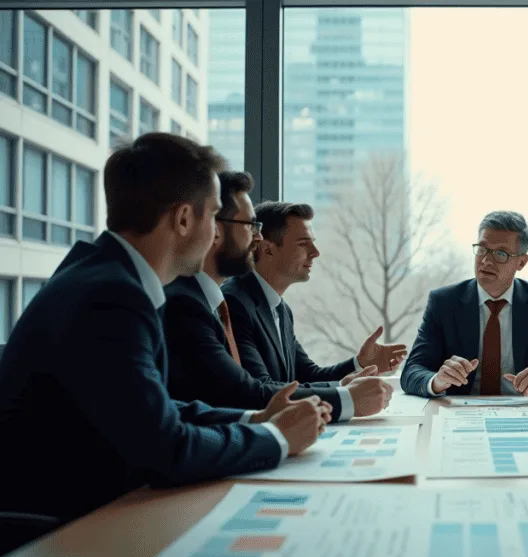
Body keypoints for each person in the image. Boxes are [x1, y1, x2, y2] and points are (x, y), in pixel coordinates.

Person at [0, 134, 325, 521]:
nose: (215, 234)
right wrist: (277, 438)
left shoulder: (105, 276)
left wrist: (252, 420)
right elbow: (167, 448)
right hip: (62, 535)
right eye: (212, 216)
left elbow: (155, 409)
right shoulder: (111, 297)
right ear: (185, 218)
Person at [164, 171, 392, 421]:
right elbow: (247, 393)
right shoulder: (211, 303)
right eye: (251, 226)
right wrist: (345, 398)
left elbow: (302, 376)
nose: (258, 237)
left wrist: (353, 372)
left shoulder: (271, 308)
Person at [223, 202, 406, 393]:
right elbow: (263, 390)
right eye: (303, 243)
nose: (315, 252)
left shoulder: (280, 309)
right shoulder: (234, 303)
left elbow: (309, 376)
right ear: (267, 249)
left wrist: (359, 363)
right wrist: (345, 393)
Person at [401, 211, 528, 398]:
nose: (486, 261)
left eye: (501, 253)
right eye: (482, 249)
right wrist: (437, 381)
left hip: (526, 412)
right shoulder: (444, 302)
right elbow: (412, 370)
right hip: (460, 413)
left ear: (521, 262)